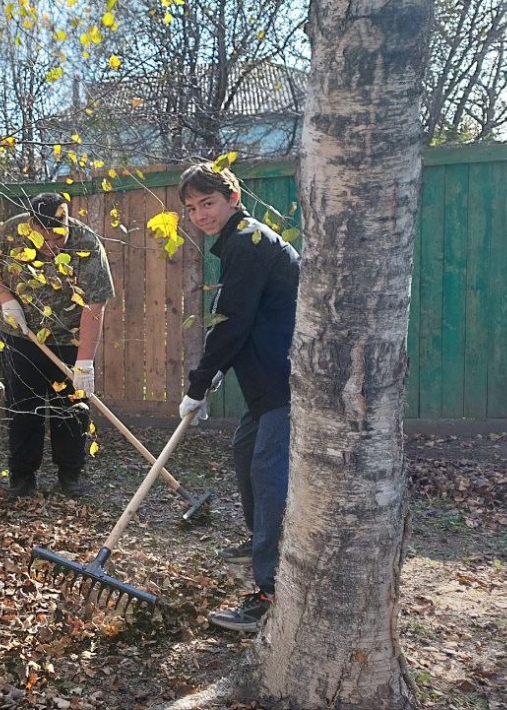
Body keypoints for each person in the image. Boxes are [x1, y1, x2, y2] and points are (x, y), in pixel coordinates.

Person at [177, 163, 300, 632]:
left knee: (270, 476)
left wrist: (199, 383)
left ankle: (271, 591)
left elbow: (232, 320)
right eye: (191, 208)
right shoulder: (239, 241)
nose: (199, 215)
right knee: (246, 450)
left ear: (232, 197)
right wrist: (211, 379)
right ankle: (261, 542)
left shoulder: (249, 241)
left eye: (207, 203)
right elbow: (237, 318)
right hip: (265, 380)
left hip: (286, 380)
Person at [0, 193, 115, 498]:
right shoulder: (12, 232)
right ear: (30, 226)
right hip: (21, 335)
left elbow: (95, 304)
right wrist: (5, 298)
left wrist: (84, 363)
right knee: (22, 407)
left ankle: (70, 476)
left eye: (56, 238)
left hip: (69, 338)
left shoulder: (87, 244)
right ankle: (22, 477)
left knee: (71, 408)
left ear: (66, 223)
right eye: (42, 239)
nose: (49, 246)